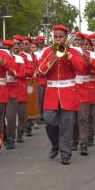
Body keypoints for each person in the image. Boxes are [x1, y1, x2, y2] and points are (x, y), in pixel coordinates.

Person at [37, 25, 84, 165]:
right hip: (51, 92)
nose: (57, 40)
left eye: (60, 37)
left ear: (66, 37)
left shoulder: (74, 51)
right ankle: (56, 144)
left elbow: (80, 67)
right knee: (49, 120)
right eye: (55, 37)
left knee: (67, 125)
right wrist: (53, 58)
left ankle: (65, 154)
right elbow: (40, 71)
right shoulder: (47, 52)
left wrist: (67, 55)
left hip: (68, 92)